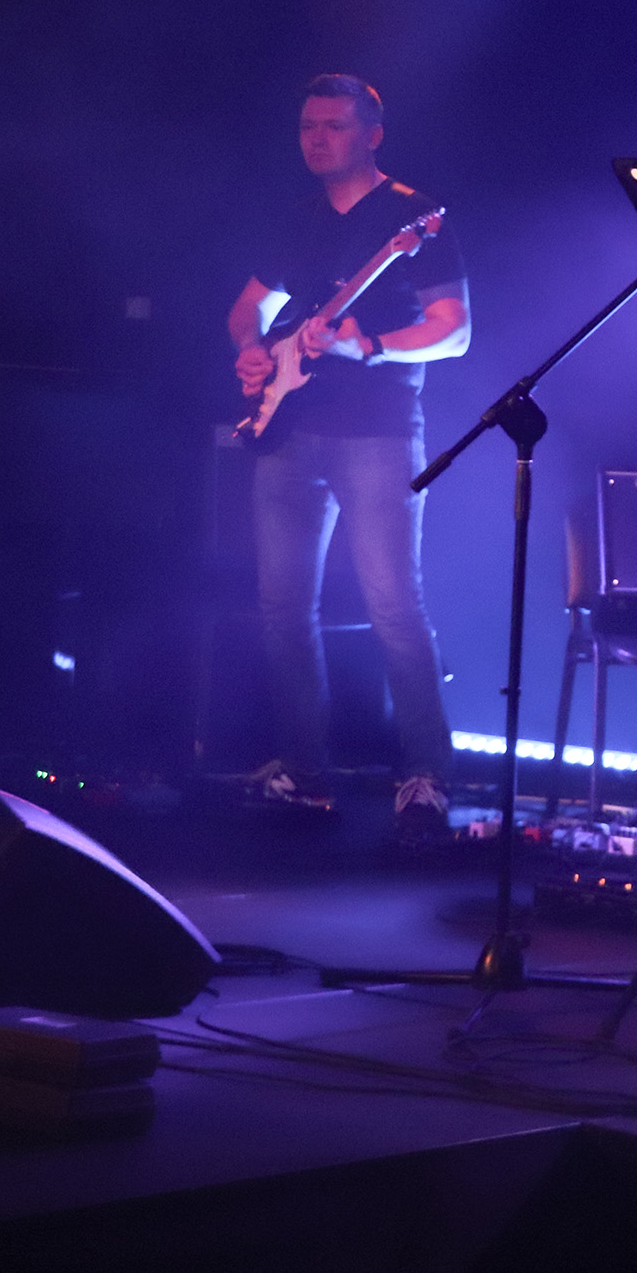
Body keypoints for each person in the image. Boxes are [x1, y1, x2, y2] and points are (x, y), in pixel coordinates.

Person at [228, 74, 469, 837]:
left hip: (377, 431)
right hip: (289, 429)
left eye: (334, 126)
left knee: (393, 602)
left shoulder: (412, 218)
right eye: (308, 126)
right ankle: (303, 769)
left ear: (373, 134)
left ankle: (426, 772)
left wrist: (373, 346)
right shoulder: (297, 217)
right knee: (282, 606)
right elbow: (250, 306)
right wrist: (252, 350)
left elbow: (455, 330)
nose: (317, 138)